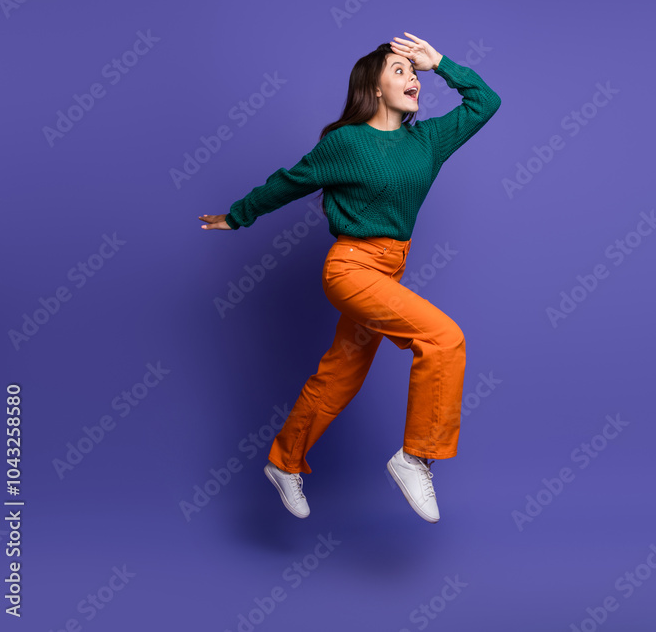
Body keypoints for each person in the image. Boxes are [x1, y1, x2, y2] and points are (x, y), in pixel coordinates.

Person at [198, 32, 501, 523]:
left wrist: (440, 61)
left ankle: (284, 462)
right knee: (445, 340)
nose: (413, 79)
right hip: (352, 268)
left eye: (414, 73)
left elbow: (486, 102)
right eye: (399, 71)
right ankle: (415, 457)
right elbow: (290, 181)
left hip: (389, 271)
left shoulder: (427, 140)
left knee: (339, 377)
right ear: (375, 88)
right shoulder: (346, 142)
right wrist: (238, 216)